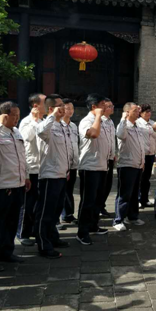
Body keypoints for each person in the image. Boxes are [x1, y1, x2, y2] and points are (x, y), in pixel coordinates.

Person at [0, 102, 30, 271]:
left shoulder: (16, 132)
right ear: (4, 115)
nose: (17, 118)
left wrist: (26, 176)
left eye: (18, 115)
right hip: (1, 185)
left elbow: (22, 156)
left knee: (12, 221)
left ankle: (7, 252)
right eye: (13, 115)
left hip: (18, 183)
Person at [35, 94, 73, 259]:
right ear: (51, 108)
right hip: (50, 176)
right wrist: (52, 116)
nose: (63, 108)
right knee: (45, 212)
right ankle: (43, 245)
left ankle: (52, 237)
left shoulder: (62, 126)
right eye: (60, 105)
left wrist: (68, 169)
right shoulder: (46, 125)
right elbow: (41, 132)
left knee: (56, 211)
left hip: (62, 174)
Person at [76, 94, 110, 245]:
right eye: (103, 105)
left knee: (98, 199)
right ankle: (82, 232)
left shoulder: (103, 121)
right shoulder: (87, 121)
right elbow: (94, 134)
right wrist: (97, 116)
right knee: (87, 201)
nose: (105, 107)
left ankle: (93, 225)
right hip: (89, 166)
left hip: (102, 165)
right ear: (94, 107)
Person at [17, 93, 46, 246]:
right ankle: (23, 232)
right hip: (31, 168)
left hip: (43, 168)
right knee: (28, 203)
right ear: (36, 105)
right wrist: (35, 121)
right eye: (45, 102)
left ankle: (35, 229)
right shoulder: (26, 122)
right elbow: (27, 137)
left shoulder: (44, 121)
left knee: (39, 203)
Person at [113, 102, 146, 231]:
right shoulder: (124, 125)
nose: (138, 112)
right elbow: (120, 134)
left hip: (137, 165)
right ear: (127, 112)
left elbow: (140, 145)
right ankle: (118, 220)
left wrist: (142, 162)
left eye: (138, 110)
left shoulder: (137, 126)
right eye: (135, 110)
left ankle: (132, 216)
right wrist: (123, 118)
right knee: (124, 194)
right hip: (127, 165)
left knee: (134, 193)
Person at [60, 99, 79, 225]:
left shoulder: (73, 126)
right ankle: (62, 215)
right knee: (62, 191)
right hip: (62, 164)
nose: (70, 111)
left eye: (72, 108)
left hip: (73, 163)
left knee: (69, 190)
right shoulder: (57, 125)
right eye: (68, 108)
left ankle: (68, 214)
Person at [98, 98, 116, 217]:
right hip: (102, 158)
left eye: (112, 105)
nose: (112, 108)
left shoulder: (111, 121)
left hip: (110, 157)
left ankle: (102, 206)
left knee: (108, 184)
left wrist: (114, 153)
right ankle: (98, 207)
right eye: (109, 106)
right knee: (101, 185)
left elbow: (112, 139)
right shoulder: (100, 121)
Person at [137, 104, 156, 208]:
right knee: (139, 178)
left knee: (147, 178)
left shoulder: (153, 123)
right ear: (141, 113)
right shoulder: (137, 123)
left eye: (149, 111)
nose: (148, 113)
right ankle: (137, 199)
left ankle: (145, 199)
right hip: (141, 155)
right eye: (146, 112)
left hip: (151, 154)